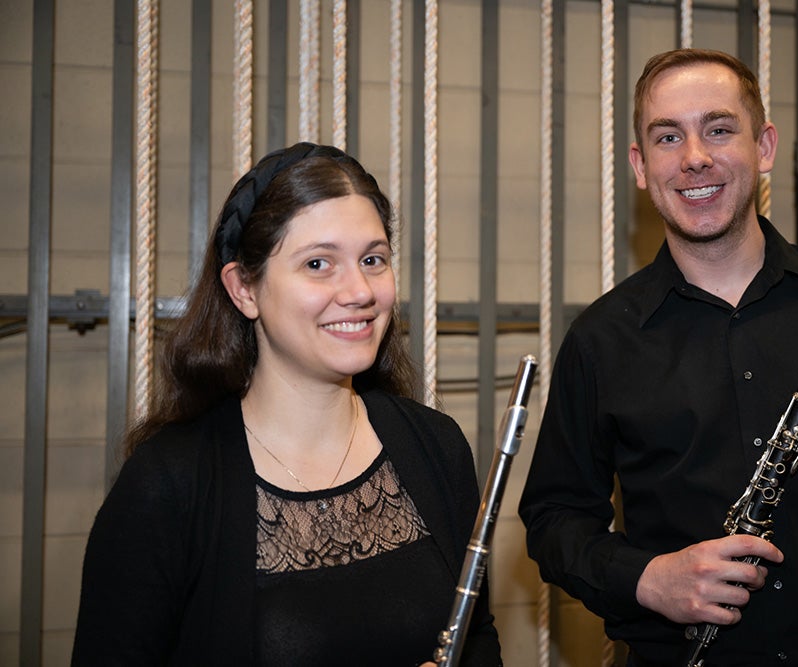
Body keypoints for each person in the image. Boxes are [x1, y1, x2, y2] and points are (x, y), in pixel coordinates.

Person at [518, 48, 798, 666]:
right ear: (641, 166)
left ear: (764, 147)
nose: (694, 157)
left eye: (719, 129)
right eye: (668, 137)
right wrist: (648, 578)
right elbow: (554, 519)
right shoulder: (600, 339)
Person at [72, 143, 501, 666]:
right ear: (244, 289)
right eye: (318, 263)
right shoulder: (168, 482)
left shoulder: (436, 445)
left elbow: (478, 639)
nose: (359, 291)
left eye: (373, 260)